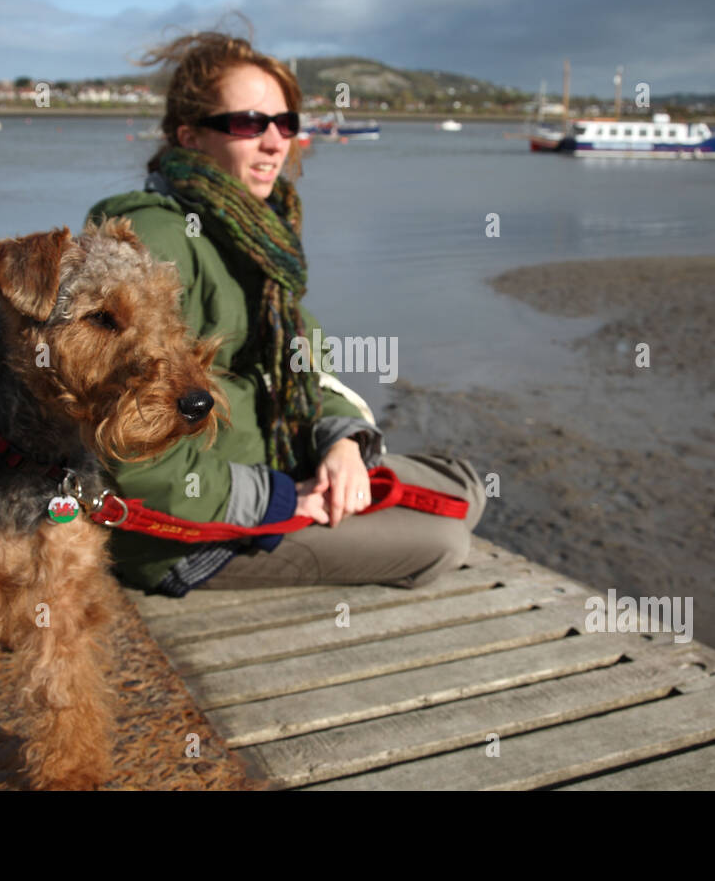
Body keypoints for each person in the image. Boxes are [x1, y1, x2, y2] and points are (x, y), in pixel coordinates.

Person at [85, 31, 485, 596]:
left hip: (279, 456)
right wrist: (274, 498)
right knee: (443, 546)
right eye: (249, 123)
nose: (276, 142)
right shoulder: (155, 240)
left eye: (286, 123)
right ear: (190, 135)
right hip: (184, 529)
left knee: (466, 486)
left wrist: (342, 441)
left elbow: (305, 361)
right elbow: (124, 444)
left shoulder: (256, 236)